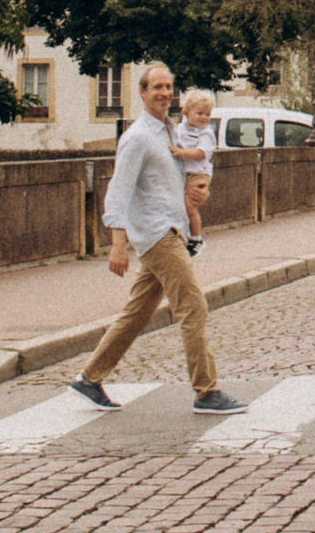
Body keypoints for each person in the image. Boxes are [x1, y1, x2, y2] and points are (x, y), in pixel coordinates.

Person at [71, 64, 247, 416]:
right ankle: (206, 391)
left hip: (171, 229)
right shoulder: (137, 137)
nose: (164, 93)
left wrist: (198, 194)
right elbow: (118, 192)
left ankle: (89, 379)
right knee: (193, 307)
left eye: (169, 87)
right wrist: (118, 244)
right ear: (142, 92)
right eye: (157, 87)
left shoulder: (172, 132)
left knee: (137, 314)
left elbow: (179, 179)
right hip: (156, 235)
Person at [170, 89, 216, 253]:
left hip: (199, 173)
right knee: (181, 205)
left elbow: (201, 154)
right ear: (186, 113)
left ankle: (197, 238)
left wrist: (182, 153)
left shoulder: (206, 133)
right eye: (199, 113)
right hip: (184, 173)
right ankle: (186, 234)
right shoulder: (179, 129)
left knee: (190, 205)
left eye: (207, 114)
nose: (204, 118)